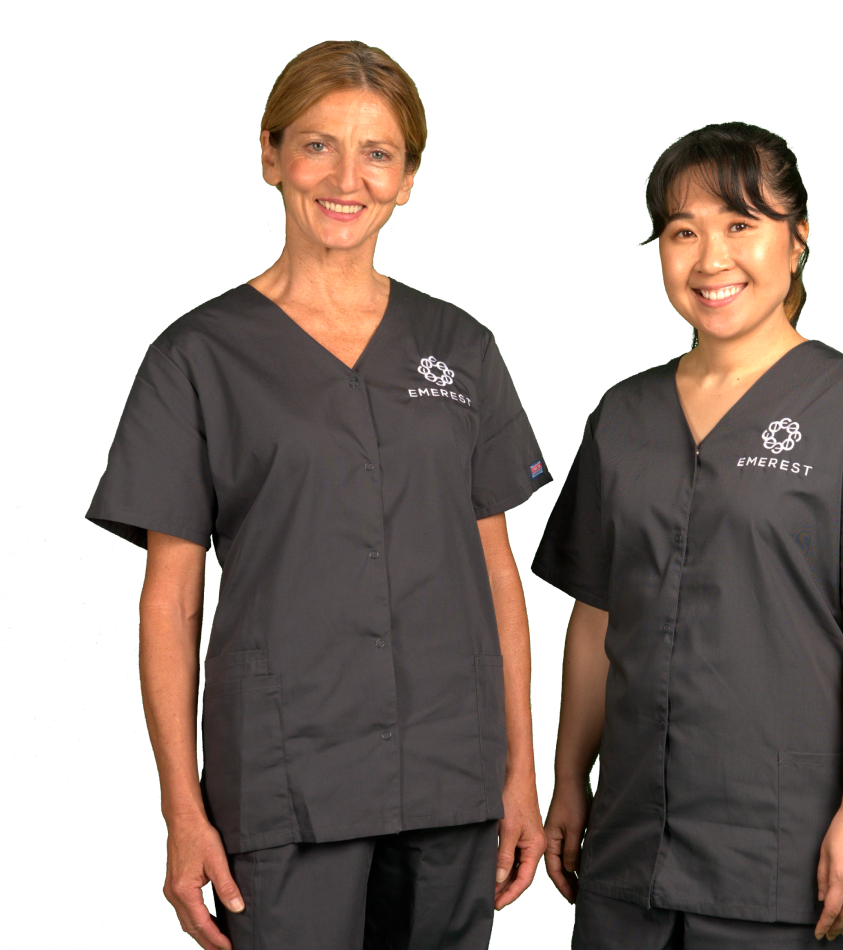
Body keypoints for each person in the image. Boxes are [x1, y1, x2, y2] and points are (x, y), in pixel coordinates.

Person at [85, 40, 551, 950]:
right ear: (270, 157)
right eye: (316, 145)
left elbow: (501, 576)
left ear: (408, 179)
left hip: (452, 779)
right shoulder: (197, 356)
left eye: (378, 152)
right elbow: (172, 602)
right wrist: (183, 811)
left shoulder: (461, 346)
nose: (347, 177)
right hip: (281, 786)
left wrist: (519, 775)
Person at [532, 121, 843, 949]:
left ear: (798, 239)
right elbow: (592, 619)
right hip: (627, 858)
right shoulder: (621, 418)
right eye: (683, 232)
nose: (712, 259)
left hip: (787, 862)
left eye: (741, 225)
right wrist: (564, 780)